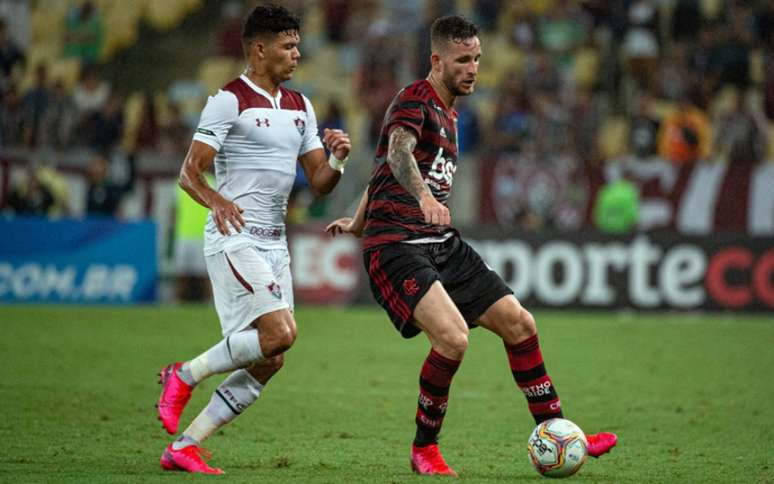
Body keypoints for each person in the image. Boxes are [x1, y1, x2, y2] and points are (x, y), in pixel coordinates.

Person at [326, 15, 617, 477]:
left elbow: (381, 167)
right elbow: (398, 153)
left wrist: (357, 219)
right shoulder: (413, 101)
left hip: (439, 242)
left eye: (478, 58)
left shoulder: (451, 113)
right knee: (453, 339)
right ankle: (424, 448)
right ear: (436, 60)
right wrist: (420, 199)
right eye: (463, 59)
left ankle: (560, 432)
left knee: (520, 323)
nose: (474, 68)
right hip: (397, 244)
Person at [156, 4, 352, 475]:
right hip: (234, 237)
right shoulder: (228, 100)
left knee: (272, 357)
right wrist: (219, 202)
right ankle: (183, 374)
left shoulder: (301, 106)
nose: (297, 54)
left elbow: (319, 181)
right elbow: (189, 173)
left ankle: (185, 446)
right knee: (281, 333)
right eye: (288, 46)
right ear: (260, 50)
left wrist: (339, 160)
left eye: (298, 45)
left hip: (274, 242)